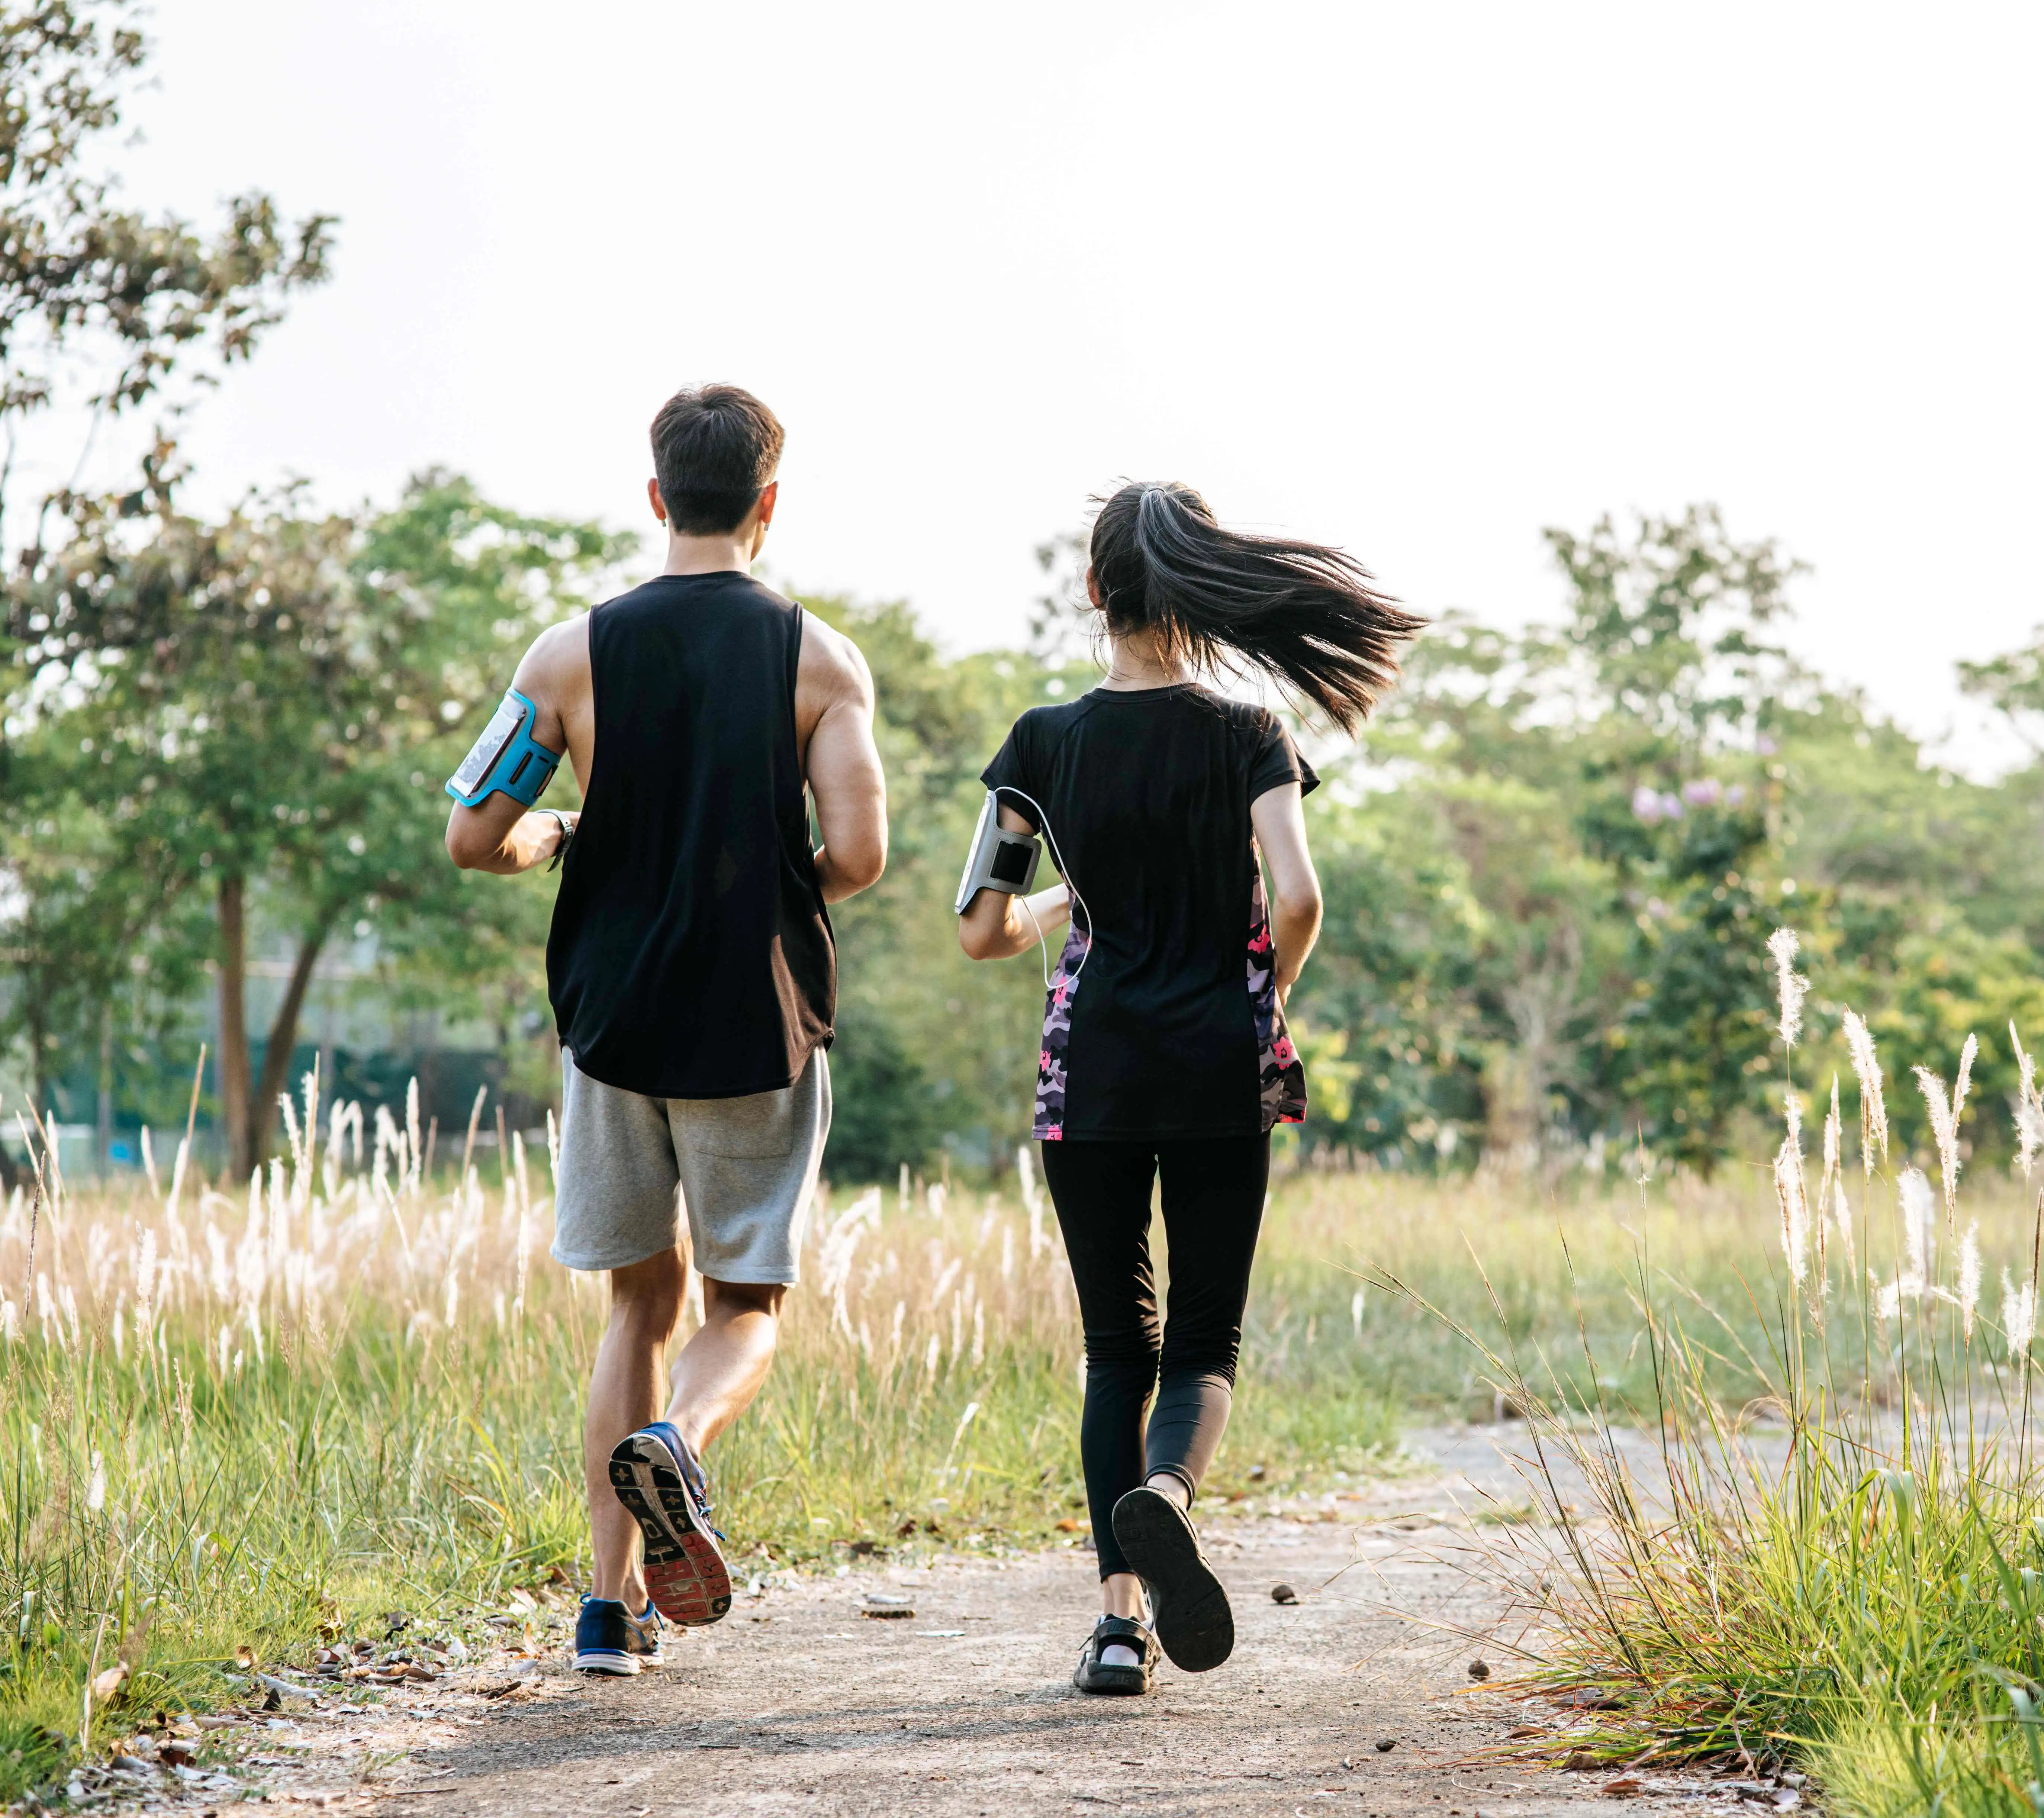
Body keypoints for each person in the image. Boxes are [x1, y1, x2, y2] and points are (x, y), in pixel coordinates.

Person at [444, 384, 888, 1676]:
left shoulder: (563, 658)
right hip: (756, 1021)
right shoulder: (821, 660)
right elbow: (856, 854)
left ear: (655, 497)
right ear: (767, 503)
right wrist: (762, 874)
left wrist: (570, 834)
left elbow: (476, 837)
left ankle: (604, 1607)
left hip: (614, 1023)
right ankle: (682, 1448)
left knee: (638, 1305)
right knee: (744, 1300)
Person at [957, 480, 1423, 1695]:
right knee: (1205, 1341)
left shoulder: (1040, 746)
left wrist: (1079, 898)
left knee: (1119, 1347)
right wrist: (1264, 1006)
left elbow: (983, 928)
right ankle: (1169, 1491)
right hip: (1222, 1064)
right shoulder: (1249, 736)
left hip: (1092, 1073)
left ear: (1096, 591)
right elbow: (1300, 896)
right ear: (1195, 589)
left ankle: (1118, 1627)